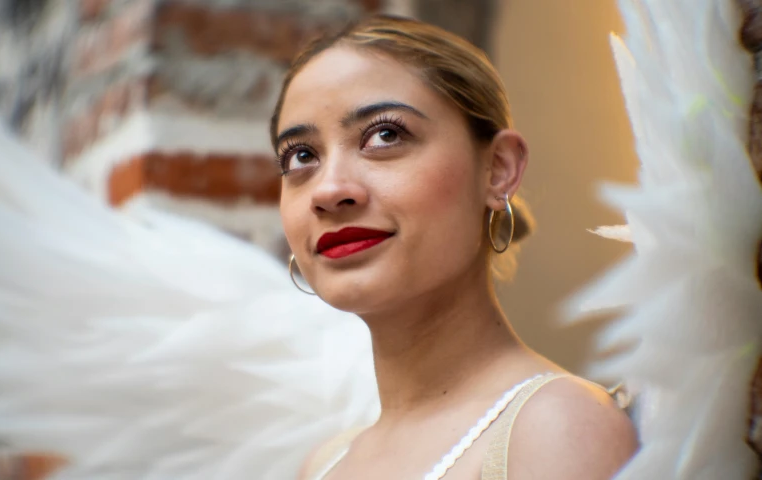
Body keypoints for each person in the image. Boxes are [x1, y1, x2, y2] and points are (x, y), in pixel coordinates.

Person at [270, 15, 638, 480]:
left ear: (498, 169)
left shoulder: (557, 428)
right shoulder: (323, 466)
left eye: (385, 135)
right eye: (301, 156)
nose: (329, 190)